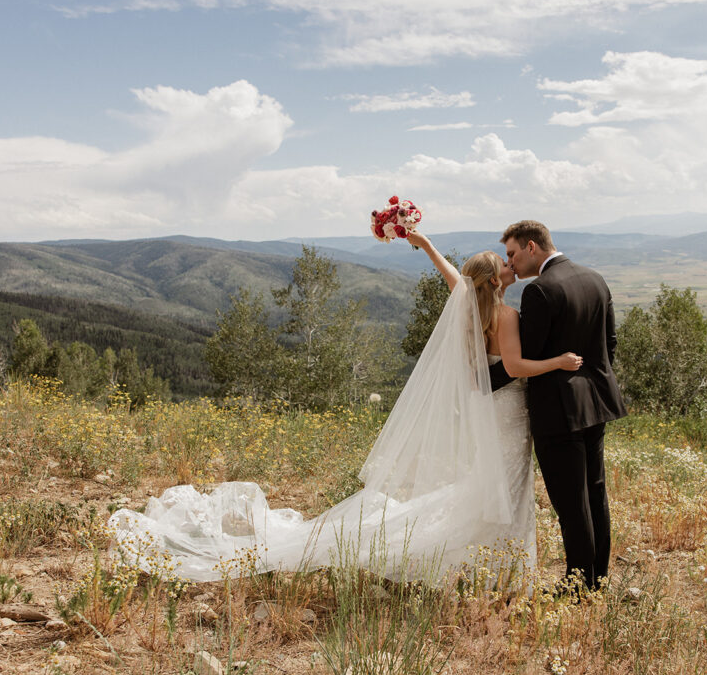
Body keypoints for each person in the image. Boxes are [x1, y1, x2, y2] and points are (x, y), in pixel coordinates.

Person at [109, 234, 582, 585]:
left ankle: (494, 565)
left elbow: (456, 280)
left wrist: (423, 242)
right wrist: (560, 362)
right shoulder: (507, 314)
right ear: (497, 278)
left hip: (491, 414)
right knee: (508, 487)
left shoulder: (467, 309)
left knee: (490, 485)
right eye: (506, 262)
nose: (511, 264)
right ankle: (503, 571)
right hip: (508, 415)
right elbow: (517, 367)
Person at [490, 220, 627, 592]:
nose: (511, 262)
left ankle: (579, 586)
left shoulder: (540, 291)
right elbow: (609, 343)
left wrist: (477, 385)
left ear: (532, 247)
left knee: (570, 503)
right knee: (594, 491)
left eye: (513, 253)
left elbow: (525, 358)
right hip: (596, 404)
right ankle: (597, 578)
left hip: (558, 411)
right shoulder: (595, 278)